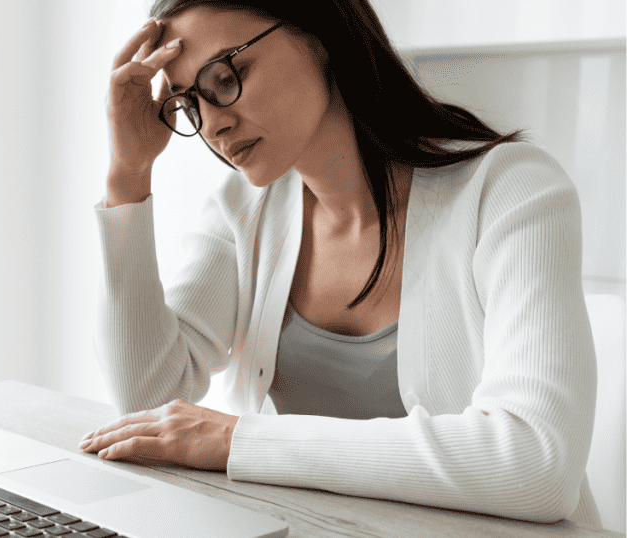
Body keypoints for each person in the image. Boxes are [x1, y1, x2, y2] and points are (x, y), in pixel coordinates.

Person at [79, 0, 601, 526]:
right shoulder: (242, 209)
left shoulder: (510, 190)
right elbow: (147, 399)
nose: (213, 123)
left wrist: (238, 440)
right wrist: (128, 175)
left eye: (224, 77)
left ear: (320, 34)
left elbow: (536, 462)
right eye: (188, 103)